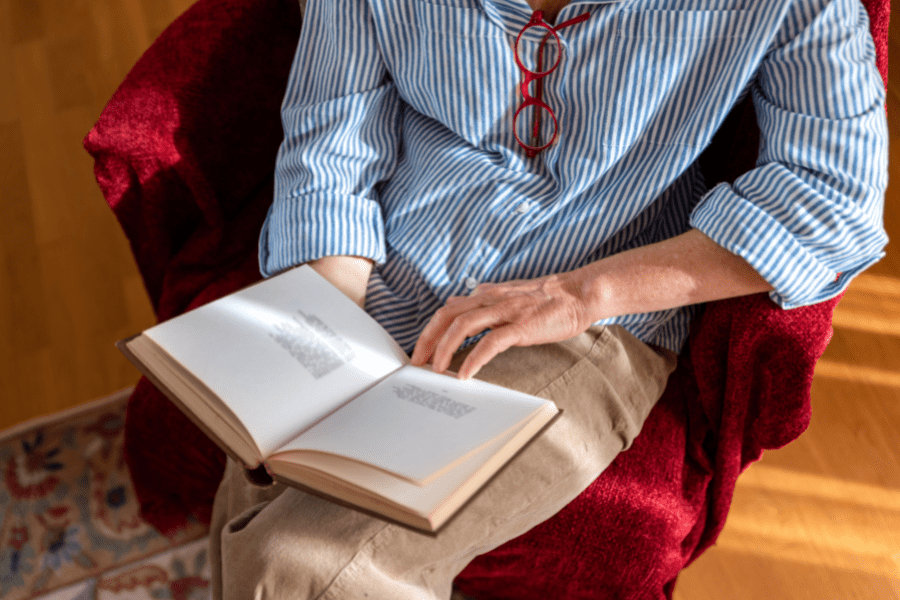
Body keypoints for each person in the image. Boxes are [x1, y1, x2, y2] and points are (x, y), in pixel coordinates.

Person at [210, 0, 888, 597]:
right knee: (256, 504)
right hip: (383, 271)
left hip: (586, 327)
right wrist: (330, 324)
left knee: (292, 563)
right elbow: (331, 147)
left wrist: (581, 293)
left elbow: (830, 199)